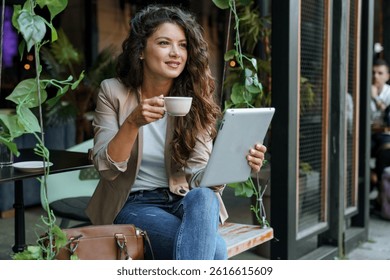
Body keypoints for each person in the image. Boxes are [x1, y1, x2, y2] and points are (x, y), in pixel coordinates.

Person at [85, 5, 267, 260]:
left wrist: (235, 161)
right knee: (215, 250)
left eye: (182, 45)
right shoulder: (113, 92)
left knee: (205, 197)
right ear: (140, 50)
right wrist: (132, 123)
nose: (176, 53)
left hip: (183, 199)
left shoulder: (196, 98)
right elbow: (107, 169)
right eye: (164, 43)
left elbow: (198, 176)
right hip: (133, 203)